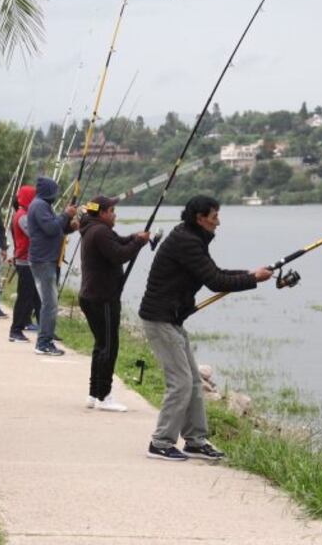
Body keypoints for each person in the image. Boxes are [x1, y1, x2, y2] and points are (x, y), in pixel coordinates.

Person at [138, 195, 272, 461]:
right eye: (214, 217)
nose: (218, 222)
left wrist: (250, 273)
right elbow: (215, 281)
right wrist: (253, 279)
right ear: (200, 218)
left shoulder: (191, 236)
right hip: (160, 319)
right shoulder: (186, 241)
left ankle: (195, 440)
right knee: (181, 383)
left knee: (194, 382)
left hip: (172, 319)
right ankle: (161, 442)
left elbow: (214, 271)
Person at [78, 196, 149, 411]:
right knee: (109, 347)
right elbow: (119, 255)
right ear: (102, 213)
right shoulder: (100, 231)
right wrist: (138, 243)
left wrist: (135, 237)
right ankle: (104, 396)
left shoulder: (93, 229)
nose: (115, 214)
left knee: (101, 346)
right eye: (112, 210)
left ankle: (94, 394)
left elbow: (117, 242)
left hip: (92, 296)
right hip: (103, 298)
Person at [27, 177, 78, 356]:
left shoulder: (42, 205)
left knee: (49, 303)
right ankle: (43, 344)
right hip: (43, 260)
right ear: (48, 190)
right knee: (50, 304)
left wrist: (70, 226)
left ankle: (44, 341)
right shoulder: (40, 205)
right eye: (55, 191)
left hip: (45, 259)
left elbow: (56, 229)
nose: (56, 194)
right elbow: (50, 228)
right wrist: (66, 214)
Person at [8, 185, 40, 343]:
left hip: (29, 261)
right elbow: (35, 233)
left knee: (30, 296)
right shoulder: (22, 216)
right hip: (24, 261)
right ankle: (16, 330)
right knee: (24, 297)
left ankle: (22, 326)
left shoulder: (25, 214)